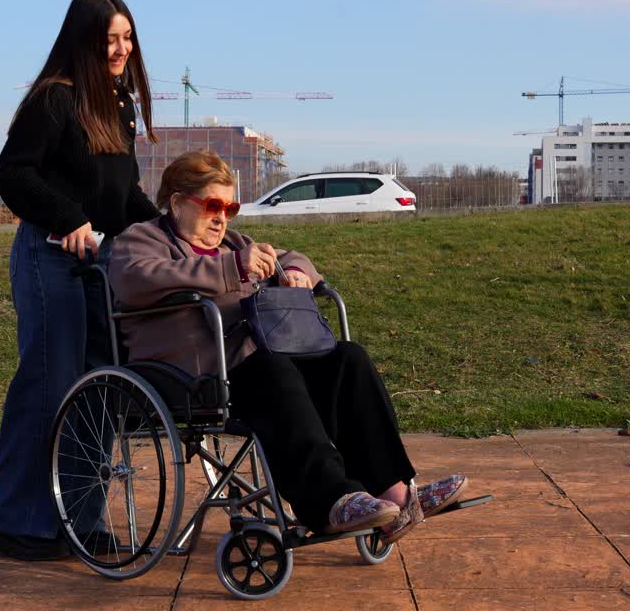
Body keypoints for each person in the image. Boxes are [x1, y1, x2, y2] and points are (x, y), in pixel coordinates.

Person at [109, 150, 468, 541]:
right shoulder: (142, 240)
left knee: (347, 359)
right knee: (272, 369)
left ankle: (395, 494)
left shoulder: (234, 242)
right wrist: (233, 268)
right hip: (189, 373)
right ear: (178, 202)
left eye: (231, 208)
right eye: (213, 206)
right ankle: (329, 501)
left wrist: (295, 272)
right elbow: (136, 279)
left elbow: (294, 257)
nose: (222, 218)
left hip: (252, 364)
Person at [0, 0, 161, 561]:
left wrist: (167, 232)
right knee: (49, 385)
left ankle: (80, 522)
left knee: (99, 389)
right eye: (110, 39)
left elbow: (124, 193)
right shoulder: (54, 99)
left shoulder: (119, 102)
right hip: (50, 259)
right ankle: (20, 524)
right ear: (83, 41)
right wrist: (68, 218)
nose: (121, 49)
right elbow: (13, 174)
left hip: (102, 264)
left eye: (127, 38)